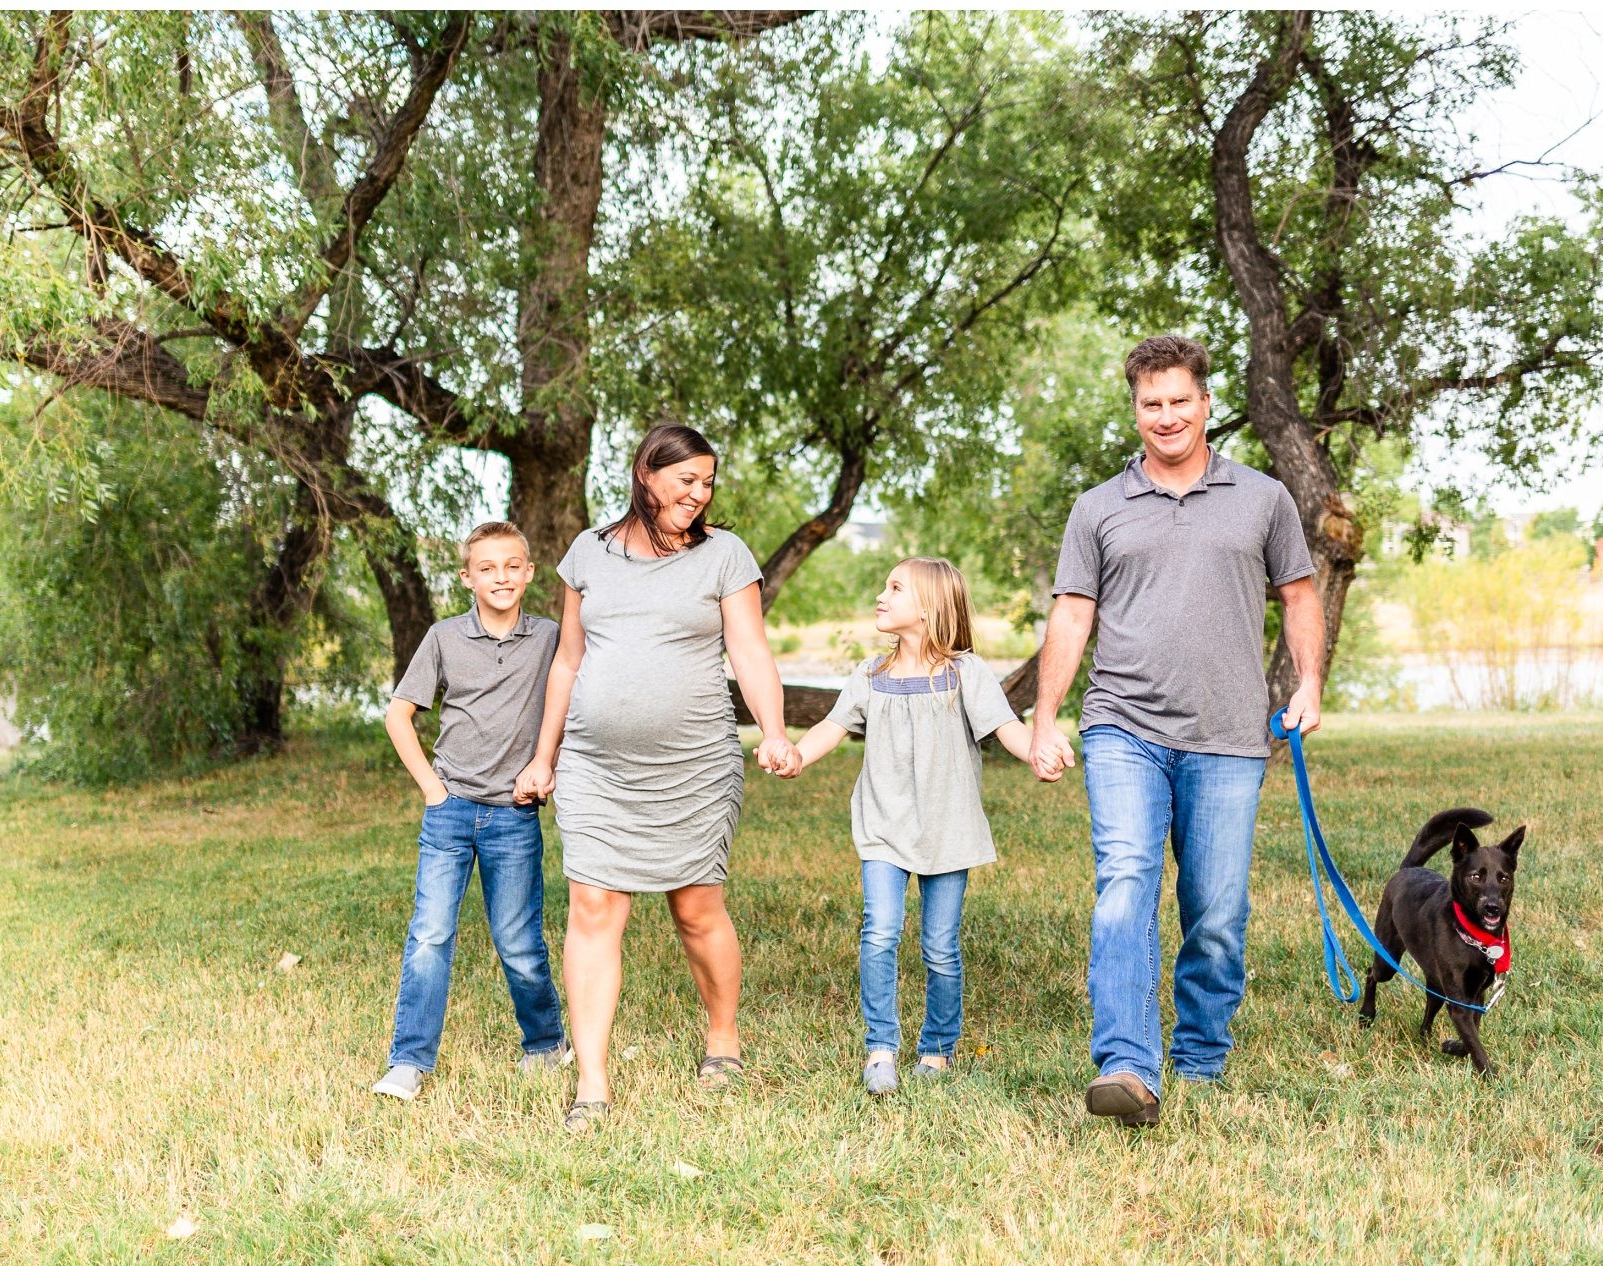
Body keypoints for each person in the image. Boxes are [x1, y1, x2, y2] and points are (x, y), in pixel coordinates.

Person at [1027, 334, 1326, 1128]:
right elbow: (1072, 612)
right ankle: (1127, 1065)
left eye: (1179, 401)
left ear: (1205, 404)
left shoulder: (1262, 499)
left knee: (1217, 911)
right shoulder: (1098, 508)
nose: (1165, 417)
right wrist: (1045, 717)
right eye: (1150, 404)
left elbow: (1298, 595)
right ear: (1135, 411)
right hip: (1123, 725)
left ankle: (1199, 1058)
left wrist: (1311, 684)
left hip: (1229, 734)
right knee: (1126, 884)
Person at [515, 424, 796, 1133]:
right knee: (593, 909)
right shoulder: (589, 553)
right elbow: (567, 662)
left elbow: (751, 652)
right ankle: (592, 1082)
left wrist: (774, 730)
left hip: (694, 764)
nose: (698, 495)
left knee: (695, 909)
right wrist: (544, 757)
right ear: (647, 475)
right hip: (595, 765)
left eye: (707, 483)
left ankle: (723, 1037)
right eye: (686, 481)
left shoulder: (724, 555)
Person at [778, 558, 1041, 1096]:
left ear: (928, 608)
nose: (881, 595)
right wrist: (798, 756)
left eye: (894, 588)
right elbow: (832, 726)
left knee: (940, 946)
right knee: (879, 933)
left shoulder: (963, 674)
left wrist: (1038, 753)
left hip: (948, 829)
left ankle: (938, 1049)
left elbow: (1007, 728)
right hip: (883, 827)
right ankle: (880, 1049)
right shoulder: (870, 675)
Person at [372, 521, 567, 1102]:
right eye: (487, 568)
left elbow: (574, 706)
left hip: (514, 814)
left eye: (513, 566)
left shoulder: (552, 638)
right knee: (430, 935)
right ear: (467, 578)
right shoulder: (443, 637)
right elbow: (397, 715)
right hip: (450, 811)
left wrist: (546, 764)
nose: (501, 577)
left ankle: (545, 1044)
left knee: (518, 941)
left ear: (530, 572)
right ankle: (408, 1062)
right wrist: (433, 790)